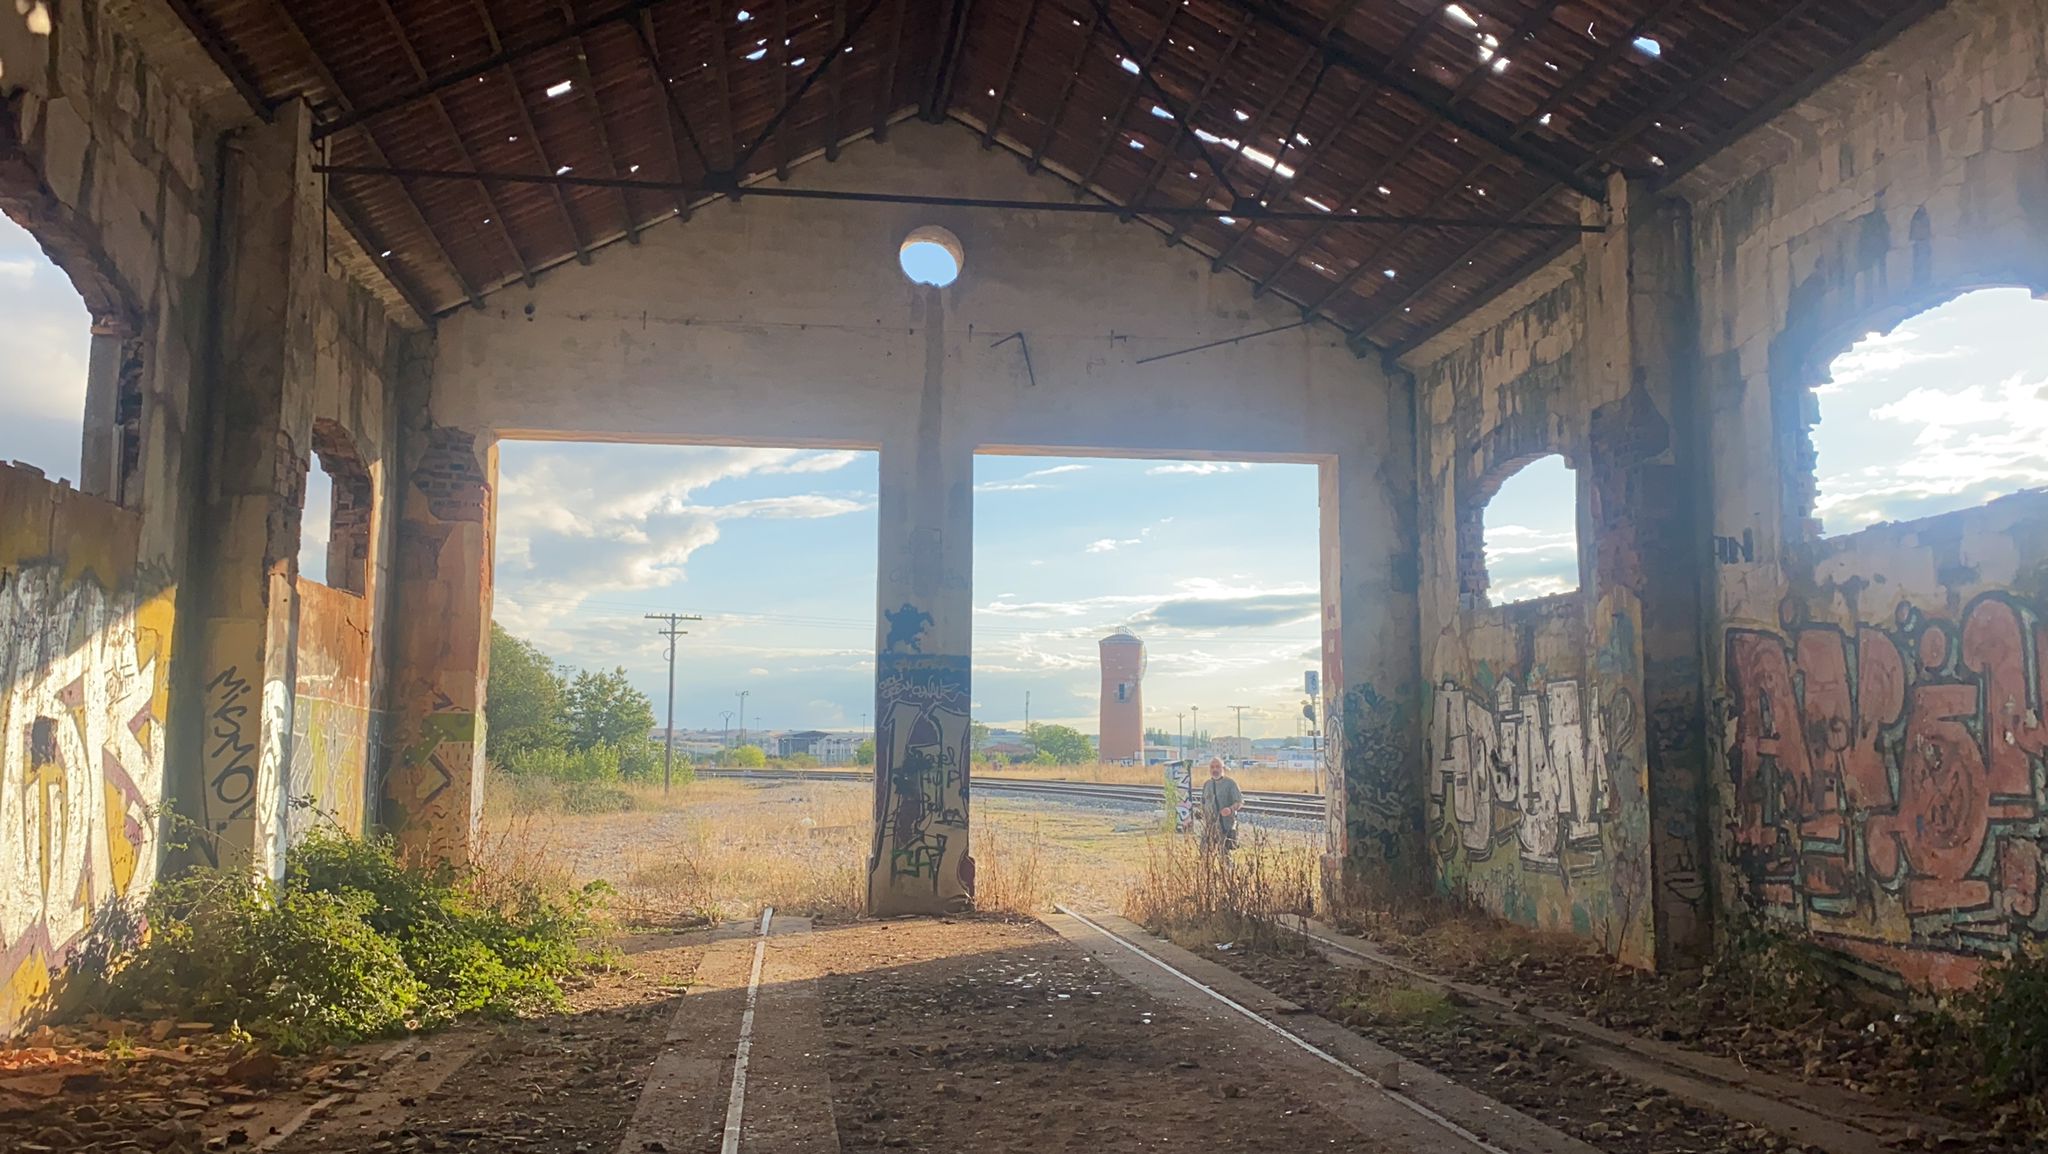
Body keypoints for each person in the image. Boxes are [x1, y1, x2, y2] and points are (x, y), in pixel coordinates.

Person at [1199, 757, 1243, 854]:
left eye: (1217, 767)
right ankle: (1206, 869)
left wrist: (1230, 809)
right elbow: (1203, 802)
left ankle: (1227, 869)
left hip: (1225, 827)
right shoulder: (1207, 784)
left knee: (1224, 855)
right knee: (1203, 853)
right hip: (1209, 827)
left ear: (1222, 768)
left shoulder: (1230, 784)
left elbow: (1239, 802)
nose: (1215, 769)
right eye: (1212, 767)